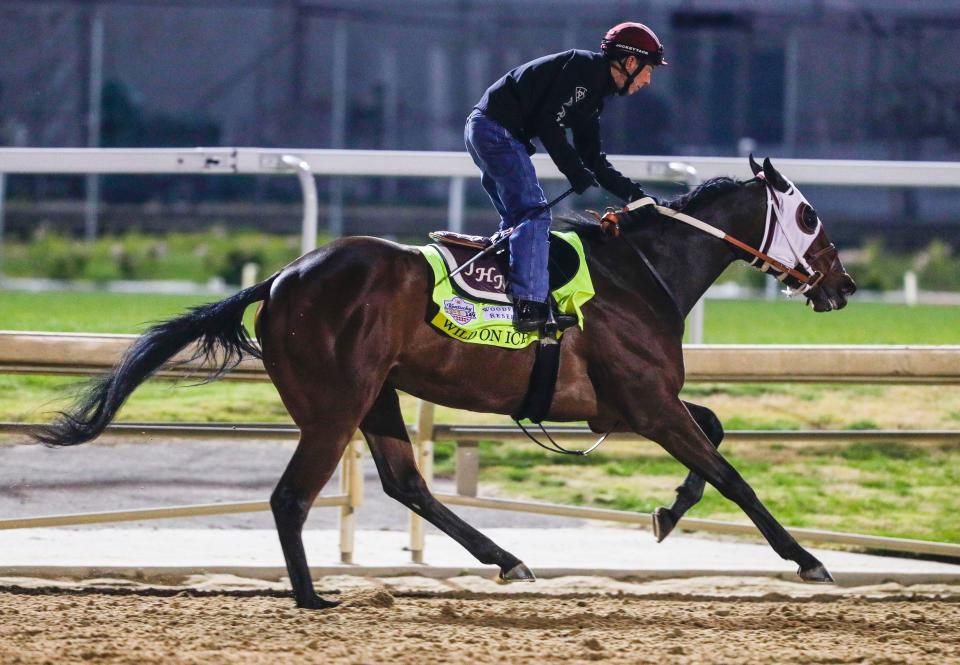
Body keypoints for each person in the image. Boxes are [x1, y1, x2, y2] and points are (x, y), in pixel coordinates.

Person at [465, 22, 668, 332]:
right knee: (534, 215)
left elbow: (594, 160)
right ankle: (531, 306)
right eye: (648, 70)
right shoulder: (584, 69)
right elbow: (548, 123)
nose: (647, 80)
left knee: (518, 222)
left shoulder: (594, 95)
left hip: (488, 128)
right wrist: (574, 171)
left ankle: (501, 295)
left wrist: (637, 196)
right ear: (630, 62)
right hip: (495, 130)